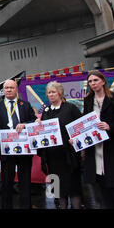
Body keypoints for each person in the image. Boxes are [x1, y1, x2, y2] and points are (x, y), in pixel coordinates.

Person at [82, 70, 114, 209]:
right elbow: (85, 123)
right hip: (96, 148)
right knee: (102, 188)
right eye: (90, 81)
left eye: (95, 80)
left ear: (103, 81)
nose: (93, 84)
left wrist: (109, 126)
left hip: (112, 147)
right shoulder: (88, 100)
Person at [37, 81, 82, 209]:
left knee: (73, 188)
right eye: (49, 93)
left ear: (60, 93)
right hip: (52, 159)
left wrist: (76, 138)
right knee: (58, 191)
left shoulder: (70, 108)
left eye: (53, 92)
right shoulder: (45, 112)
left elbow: (80, 127)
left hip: (69, 157)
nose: (51, 95)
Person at [0, 79, 37, 209]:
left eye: (11, 87)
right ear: (3, 90)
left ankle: (26, 206)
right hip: (7, 149)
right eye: (6, 88)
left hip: (24, 149)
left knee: (25, 182)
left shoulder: (25, 104)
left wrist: (25, 125)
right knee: (7, 182)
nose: (8, 90)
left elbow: (34, 121)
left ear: (16, 89)